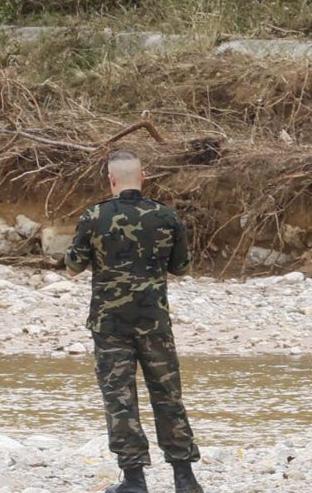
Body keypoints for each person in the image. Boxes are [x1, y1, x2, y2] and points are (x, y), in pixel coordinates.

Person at [65, 148, 203, 493]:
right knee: (168, 396)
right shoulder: (165, 216)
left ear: (111, 180)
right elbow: (182, 267)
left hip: (110, 325)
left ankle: (134, 480)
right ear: (142, 178)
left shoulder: (93, 217)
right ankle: (184, 478)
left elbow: (72, 265)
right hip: (155, 322)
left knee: (120, 399)